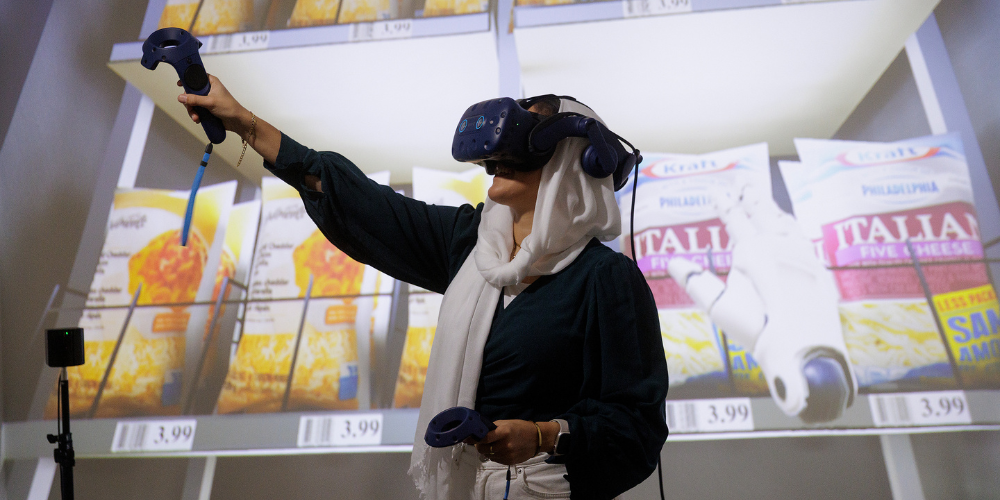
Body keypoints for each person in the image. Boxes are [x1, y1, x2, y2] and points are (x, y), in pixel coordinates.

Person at [178, 77, 669, 500]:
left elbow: (638, 430)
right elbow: (366, 206)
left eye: (521, 146)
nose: (498, 158)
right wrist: (243, 121)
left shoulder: (606, 280)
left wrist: (545, 435)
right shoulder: (472, 248)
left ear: (571, 162)